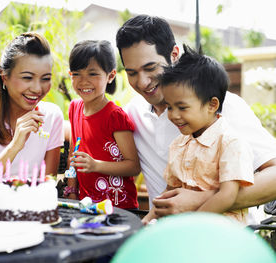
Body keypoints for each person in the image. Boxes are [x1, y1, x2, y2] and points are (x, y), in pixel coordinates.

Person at [116, 15, 276, 222]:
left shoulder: (219, 107)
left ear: (174, 54)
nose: (143, 82)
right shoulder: (133, 114)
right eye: (132, 73)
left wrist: (202, 200)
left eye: (150, 68)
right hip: (169, 238)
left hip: (228, 236)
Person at [145, 45, 254, 223]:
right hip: (185, 230)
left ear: (212, 105)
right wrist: (147, 221)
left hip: (220, 232)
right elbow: (170, 191)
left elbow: (228, 195)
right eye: (170, 107)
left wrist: (193, 224)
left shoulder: (230, 142)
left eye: (182, 107)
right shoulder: (179, 143)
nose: (173, 115)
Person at [0, 32, 64, 177]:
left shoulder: (52, 117)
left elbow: (48, 184)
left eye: (45, 78)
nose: (37, 88)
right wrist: (15, 146)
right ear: (4, 77)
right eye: (27, 77)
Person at [65, 40, 140, 210]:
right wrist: (71, 189)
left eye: (92, 74)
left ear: (111, 75)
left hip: (119, 207)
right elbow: (73, 156)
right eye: (76, 74)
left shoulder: (115, 116)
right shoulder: (74, 108)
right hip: (86, 204)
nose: (83, 81)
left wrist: (95, 165)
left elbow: (133, 166)